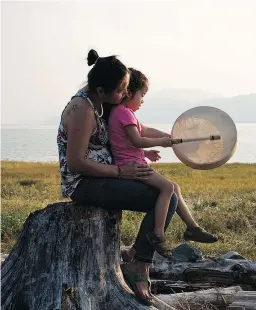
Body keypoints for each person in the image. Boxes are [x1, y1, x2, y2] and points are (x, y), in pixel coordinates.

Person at [56, 49, 207, 305]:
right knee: (163, 196)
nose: (125, 94)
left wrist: (174, 139)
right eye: (121, 90)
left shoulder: (104, 104)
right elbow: (75, 162)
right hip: (83, 184)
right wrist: (120, 171)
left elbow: (139, 128)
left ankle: (138, 258)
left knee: (166, 193)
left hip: (106, 176)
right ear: (102, 90)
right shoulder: (83, 109)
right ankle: (139, 264)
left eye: (127, 89)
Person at [108, 68, 218, 259]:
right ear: (129, 92)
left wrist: (168, 137)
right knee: (167, 188)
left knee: (175, 186)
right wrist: (160, 143)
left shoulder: (125, 113)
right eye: (142, 94)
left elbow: (143, 132)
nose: (143, 100)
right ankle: (157, 234)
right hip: (133, 167)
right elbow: (136, 140)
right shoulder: (123, 113)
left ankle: (192, 227)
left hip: (134, 160)